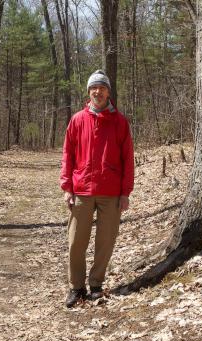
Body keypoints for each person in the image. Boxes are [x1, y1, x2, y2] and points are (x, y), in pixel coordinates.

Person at [60, 70, 134, 308]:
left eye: (102, 88)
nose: (97, 92)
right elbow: (67, 155)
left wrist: (125, 193)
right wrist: (67, 187)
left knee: (105, 242)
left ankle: (96, 285)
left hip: (110, 192)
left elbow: (127, 160)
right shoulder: (77, 120)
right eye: (94, 88)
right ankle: (76, 288)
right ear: (89, 92)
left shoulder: (120, 122)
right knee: (75, 243)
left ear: (108, 93)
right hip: (81, 189)